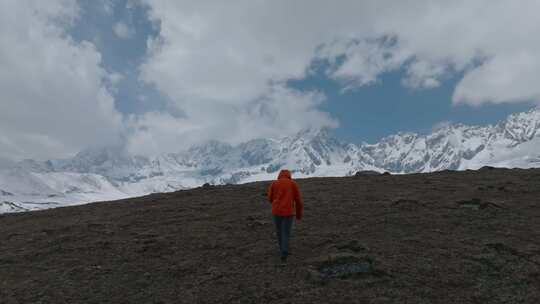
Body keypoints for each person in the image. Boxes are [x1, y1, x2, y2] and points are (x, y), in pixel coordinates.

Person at [267, 169, 303, 263]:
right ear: (289, 175)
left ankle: (282, 250)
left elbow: (270, 198)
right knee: (286, 232)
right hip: (288, 212)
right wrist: (298, 215)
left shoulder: (274, 184)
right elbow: (298, 201)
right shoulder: (293, 184)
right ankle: (284, 252)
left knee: (279, 232)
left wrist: (275, 203)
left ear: (279, 175)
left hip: (276, 212)